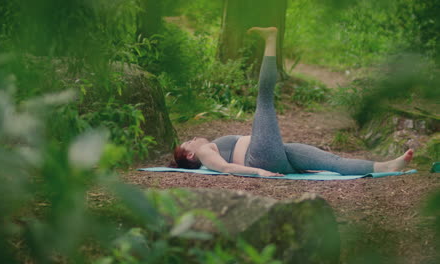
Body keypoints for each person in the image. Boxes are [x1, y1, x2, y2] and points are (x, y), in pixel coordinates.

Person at [170, 27, 414, 177]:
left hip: (278, 154)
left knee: (333, 162)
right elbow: (225, 169)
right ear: (190, 155)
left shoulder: (206, 149)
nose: (194, 139)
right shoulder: (203, 152)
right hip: (261, 157)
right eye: (189, 142)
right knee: (264, 99)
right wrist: (258, 171)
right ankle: (270, 40)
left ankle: (385, 166)